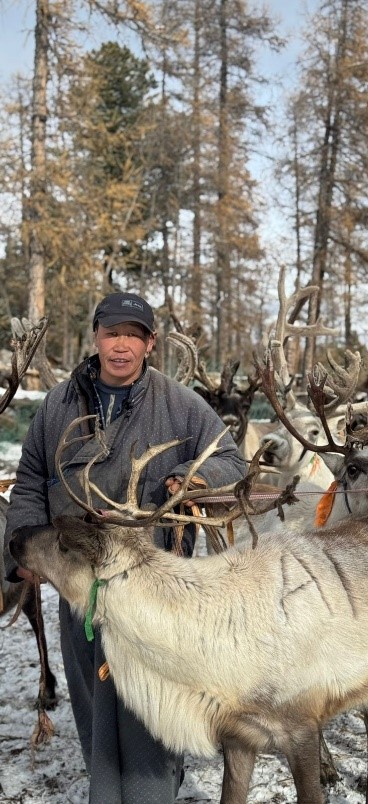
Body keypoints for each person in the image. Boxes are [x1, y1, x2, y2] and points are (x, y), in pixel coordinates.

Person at [3, 291, 246, 804]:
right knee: (94, 700)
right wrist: (22, 547)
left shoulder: (180, 404)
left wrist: (193, 475)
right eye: (112, 333)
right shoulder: (57, 405)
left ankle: (152, 792)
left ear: (150, 343)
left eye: (133, 336)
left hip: (153, 589)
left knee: (151, 705)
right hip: (78, 582)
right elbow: (29, 481)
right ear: (96, 338)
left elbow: (230, 460)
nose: (121, 346)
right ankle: (106, 792)